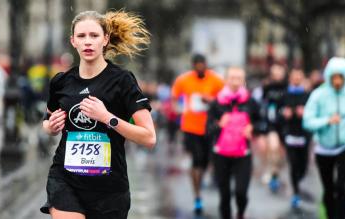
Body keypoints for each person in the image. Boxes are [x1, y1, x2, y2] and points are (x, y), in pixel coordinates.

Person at [39, 10, 156, 219]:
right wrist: (51, 127)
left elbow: (149, 137)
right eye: (81, 36)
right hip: (66, 179)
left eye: (94, 35)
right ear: (73, 41)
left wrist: (107, 117)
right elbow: (47, 122)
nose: (88, 42)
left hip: (109, 187)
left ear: (105, 39)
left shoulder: (122, 81)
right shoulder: (61, 82)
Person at [303, 57, 345, 219]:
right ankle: (329, 214)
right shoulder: (318, 95)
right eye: (334, 77)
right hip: (324, 148)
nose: (337, 81)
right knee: (328, 188)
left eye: (341, 77)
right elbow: (307, 121)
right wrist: (326, 121)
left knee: (340, 186)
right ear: (328, 77)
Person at [171, 54, 224, 214]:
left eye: (203, 65)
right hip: (190, 127)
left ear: (206, 65)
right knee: (197, 159)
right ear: (193, 66)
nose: (200, 68)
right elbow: (174, 97)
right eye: (198, 65)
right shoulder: (184, 80)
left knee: (206, 161)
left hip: (209, 127)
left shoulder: (215, 80)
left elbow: (223, 99)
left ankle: (199, 184)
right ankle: (197, 195)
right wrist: (178, 109)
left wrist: (211, 100)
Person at [206, 67, 259, 219]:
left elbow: (263, 123)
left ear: (243, 80)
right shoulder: (216, 103)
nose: (235, 82)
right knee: (225, 194)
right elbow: (208, 129)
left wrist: (252, 127)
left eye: (239, 78)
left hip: (243, 154)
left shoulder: (251, 101)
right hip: (221, 154)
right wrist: (219, 125)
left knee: (241, 192)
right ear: (226, 80)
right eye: (232, 78)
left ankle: (241, 212)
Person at [279, 68, 312, 209]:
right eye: (294, 77)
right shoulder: (284, 95)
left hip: (304, 134)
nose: (297, 79)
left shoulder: (308, 95)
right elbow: (276, 111)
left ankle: (297, 181)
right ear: (290, 78)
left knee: (303, 165)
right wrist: (283, 113)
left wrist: (305, 113)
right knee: (293, 163)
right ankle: (295, 192)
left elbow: (313, 112)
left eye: (300, 76)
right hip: (289, 133)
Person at [258, 64, 287, 192]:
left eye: (279, 72)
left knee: (281, 153)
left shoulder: (288, 87)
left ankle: (276, 172)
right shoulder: (267, 87)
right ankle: (271, 172)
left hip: (285, 124)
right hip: (271, 124)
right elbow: (262, 104)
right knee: (273, 147)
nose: (277, 75)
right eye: (274, 72)